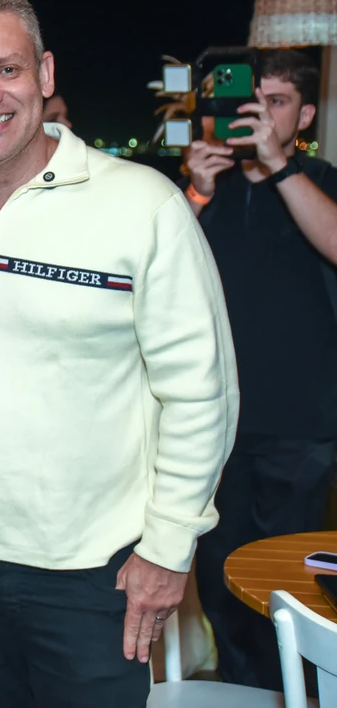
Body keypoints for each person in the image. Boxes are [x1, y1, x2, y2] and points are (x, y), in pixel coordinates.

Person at [0, 0, 238, 708]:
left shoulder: (144, 204)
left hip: (98, 574)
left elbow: (203, 391)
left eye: (7, 69)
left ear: (45, 75)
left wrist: (169, 547)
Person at [182, 49, 337, 690]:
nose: (259, 117)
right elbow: (142, 274)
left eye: (275, 104)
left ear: (302, 114)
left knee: (295, 587)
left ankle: (302, 693)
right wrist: (194, 191)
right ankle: (249, 695)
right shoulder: (198, 188)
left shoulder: (321, 178)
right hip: (214, 424)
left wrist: (280, 167)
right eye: (250, 102)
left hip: (302, 423)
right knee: (223, 588)